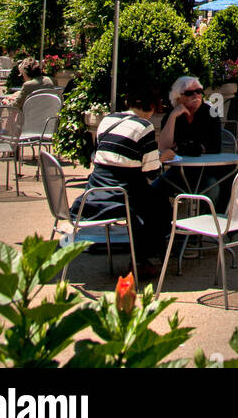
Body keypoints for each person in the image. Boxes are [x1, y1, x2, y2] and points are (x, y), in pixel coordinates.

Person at [72, 89, 171, 279]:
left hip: (95, 193)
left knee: (148, 203)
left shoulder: (107, 120)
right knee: (160, 205)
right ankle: (142, 260)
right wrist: (164, 157)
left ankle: (140, 258)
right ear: (150, 107)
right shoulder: (144, 127)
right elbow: (152, 172)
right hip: (122, 194)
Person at [157, 74, 224, 205]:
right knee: (154, 189)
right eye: (189, 93)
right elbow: (163, 148)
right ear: (178, 97)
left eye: (199, 92)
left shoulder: (210, 114)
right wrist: (173, 117)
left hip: (204, 172)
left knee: (212, 190)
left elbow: (215, 146)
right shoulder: (172, 115)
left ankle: (203, 224)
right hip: (178, 173)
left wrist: (186, 148)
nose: (196, 96)